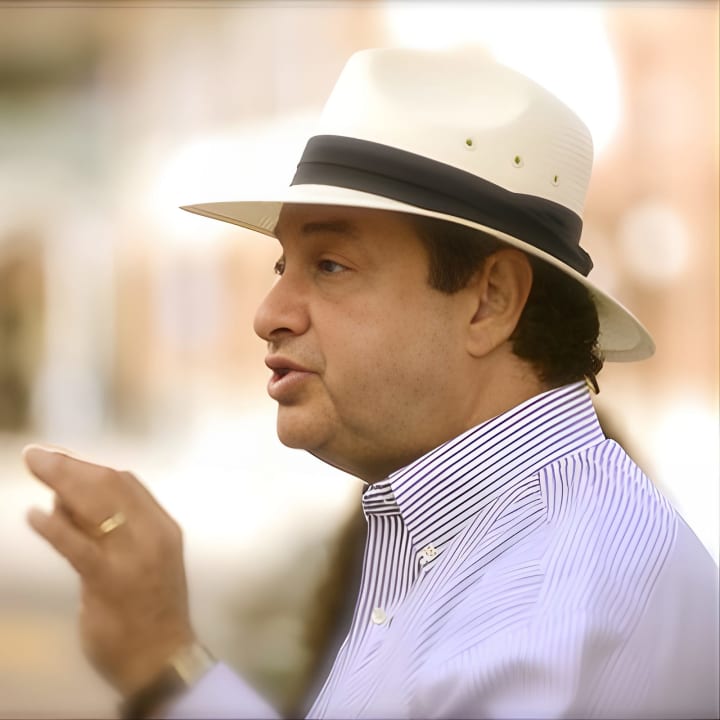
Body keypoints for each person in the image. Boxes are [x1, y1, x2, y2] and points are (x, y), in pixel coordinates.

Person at [24, 48, 718, 719]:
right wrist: (163, 662)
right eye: (282, 266)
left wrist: (163, 661)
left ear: (490, 300)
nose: (269, 315)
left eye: (331, 265)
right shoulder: (506, 542)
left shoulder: (543, 601)